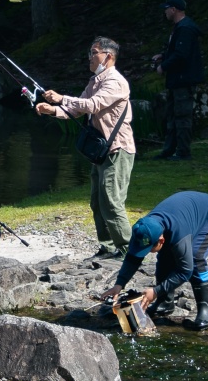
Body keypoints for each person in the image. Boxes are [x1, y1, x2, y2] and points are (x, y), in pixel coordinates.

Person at [34, 37, 135, 258]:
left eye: (93, 52)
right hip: (100, 152)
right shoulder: (95, 81)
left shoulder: (116, 81)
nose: (89, 57)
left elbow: (93, 105)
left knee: (111, 200)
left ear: (108, 56)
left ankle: (130, 251)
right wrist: (53, 110)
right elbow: (76, 110)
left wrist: (61, 98)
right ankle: (107, 247)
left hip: (118, 149)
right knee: (97, 201)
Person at [99, 190, 208, 329]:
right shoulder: (142, 229)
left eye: (149, 249)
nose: (147, 253)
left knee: (195, 258)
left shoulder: (179, 235)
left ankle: (205, 308)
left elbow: (185, 271)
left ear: (161, 240)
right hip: (182, 213)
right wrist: (119, 285)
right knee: (164, 258)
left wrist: (155, 291)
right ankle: (165, 302)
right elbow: (132, 258)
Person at [152, 0, 203, 160]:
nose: (165, 12)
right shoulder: (180, 28)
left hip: (183, 79)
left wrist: (163, 66)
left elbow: (181, 55)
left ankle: (183, 152)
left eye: (166, 9)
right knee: (172, 116)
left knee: (182, 117)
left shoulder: (185, 29)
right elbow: (177, 51)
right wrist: (163, 56)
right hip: (177, 80)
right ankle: (169, 150)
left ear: (174, 9)